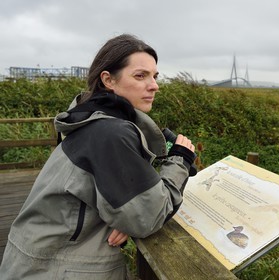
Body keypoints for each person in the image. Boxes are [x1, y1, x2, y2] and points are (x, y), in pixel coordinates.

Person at [0, 34, 196, 279]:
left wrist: (125, 216)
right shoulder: (110, 133)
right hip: (55, 269)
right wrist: (180, 159)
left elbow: (130, 210)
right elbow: (148, 217)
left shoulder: (88, 118)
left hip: (34, 260)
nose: (154, 85)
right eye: (140, 75)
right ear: (108, 80)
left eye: (154, 76)